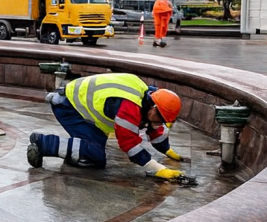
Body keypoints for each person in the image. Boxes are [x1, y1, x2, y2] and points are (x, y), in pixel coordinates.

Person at [27, 73, 185, 181]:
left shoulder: (146, 97)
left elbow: (153, 126)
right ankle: (43, 144)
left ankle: (46, 142)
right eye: (160, 120)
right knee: (95, 154)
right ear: (154, 108)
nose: (159, 124)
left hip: (73, 102)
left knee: (94, 160)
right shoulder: (129, 107)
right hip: (69, 108)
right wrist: (156, 168)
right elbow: (130, 145)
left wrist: (166, 149)